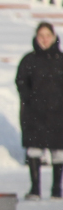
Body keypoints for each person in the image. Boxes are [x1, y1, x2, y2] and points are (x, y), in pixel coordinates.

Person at [16, 21, 63, 199]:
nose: (44, 40)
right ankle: (35, 188)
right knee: (34, 149)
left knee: (59, 151)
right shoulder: (29, 60)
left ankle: (56, 189)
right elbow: (21, 82)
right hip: (35, 114)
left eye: (47, 36)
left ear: (54, 37)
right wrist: (29, 99)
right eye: (41, 36)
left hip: (58, 114)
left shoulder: (60, 60)